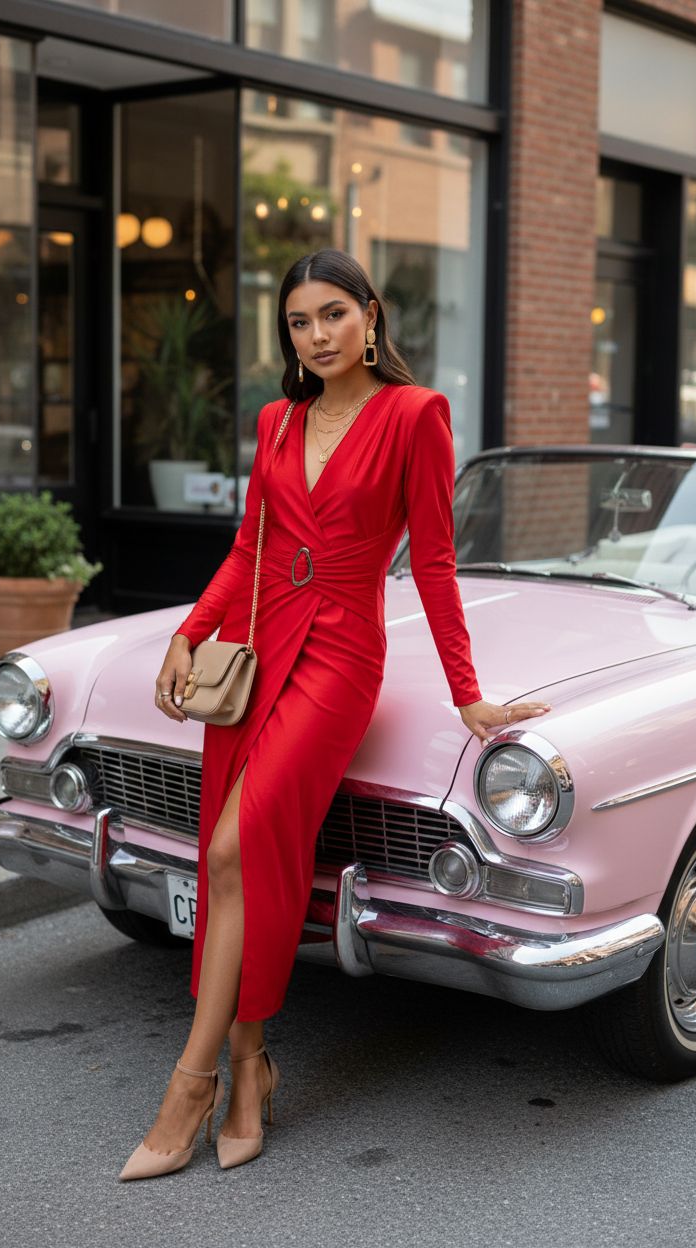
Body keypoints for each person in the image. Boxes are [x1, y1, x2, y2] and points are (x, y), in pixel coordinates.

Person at [118, 248, 551, 1181]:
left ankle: (189, 1084)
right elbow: (249, 547)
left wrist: (467, 691)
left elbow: (433, 562)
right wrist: (188, 634)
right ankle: (247, 1067)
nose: (316, 336)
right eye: (298, 322)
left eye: (332, 315)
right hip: (259, 645)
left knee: (236, 847)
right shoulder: (277, 420)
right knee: (240, 856)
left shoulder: (415, 414)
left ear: (370, 315)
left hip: (342, 655)